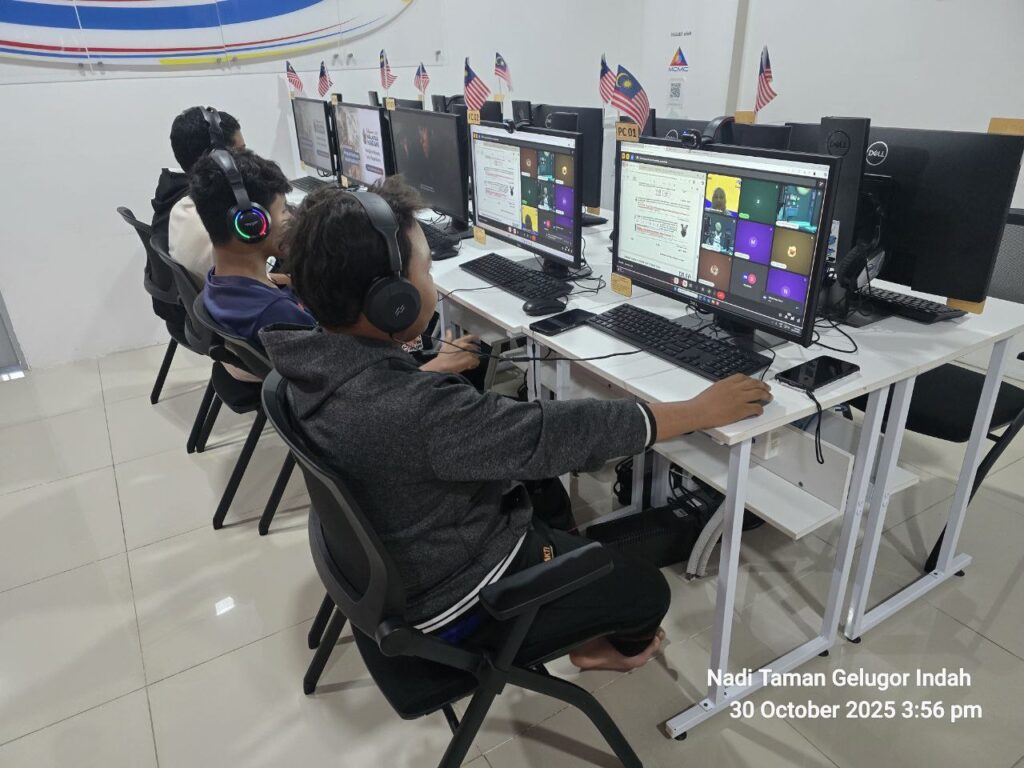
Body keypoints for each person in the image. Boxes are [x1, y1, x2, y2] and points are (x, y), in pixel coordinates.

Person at [260, 178, 773, 671]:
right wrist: (698, 412)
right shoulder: (416, 412)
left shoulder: (308, 365)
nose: (432, 283)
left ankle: (563, 569)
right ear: (391, 301)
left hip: (401, 559)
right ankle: (590, 645)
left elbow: (423, 424)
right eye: (426, 270)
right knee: (647, 590)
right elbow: (556, 434)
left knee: (543, 491)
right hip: (453, 602)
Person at [190, 150, 479, 376]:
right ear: (251, 225)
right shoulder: (275, 313)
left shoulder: (224, 283)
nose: (291, 217)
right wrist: (436, 367)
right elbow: (350, 389)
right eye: (283, 210)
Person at [157, 107, 246, 285]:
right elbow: (262, 282)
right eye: (242, 152)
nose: (250, 159)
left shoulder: (180, 209)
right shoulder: (222, 230)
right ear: (221, 160)